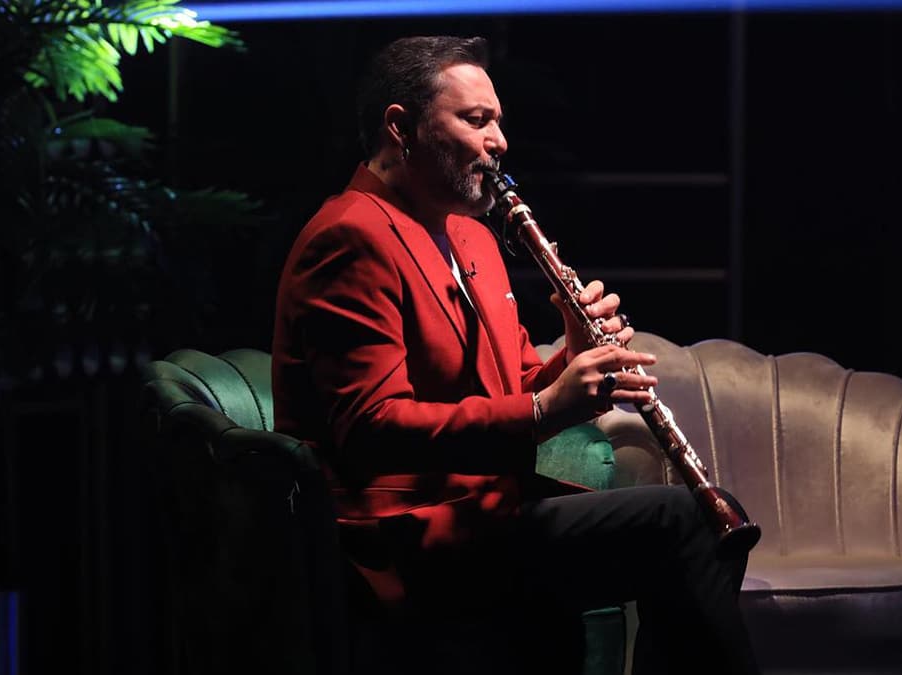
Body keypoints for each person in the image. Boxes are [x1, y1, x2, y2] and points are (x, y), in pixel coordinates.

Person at [272, 35, 758, 675]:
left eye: (497, 121)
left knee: (708, 521)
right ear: (401, 128)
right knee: (685, 522)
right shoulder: (350, 237)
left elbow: (516, 379)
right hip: (402, 537)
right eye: (476, 120)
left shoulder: (471, 235)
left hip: (486, 514)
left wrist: (576, 354)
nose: (498, 141)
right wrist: (545, 409)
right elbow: (370, 428)